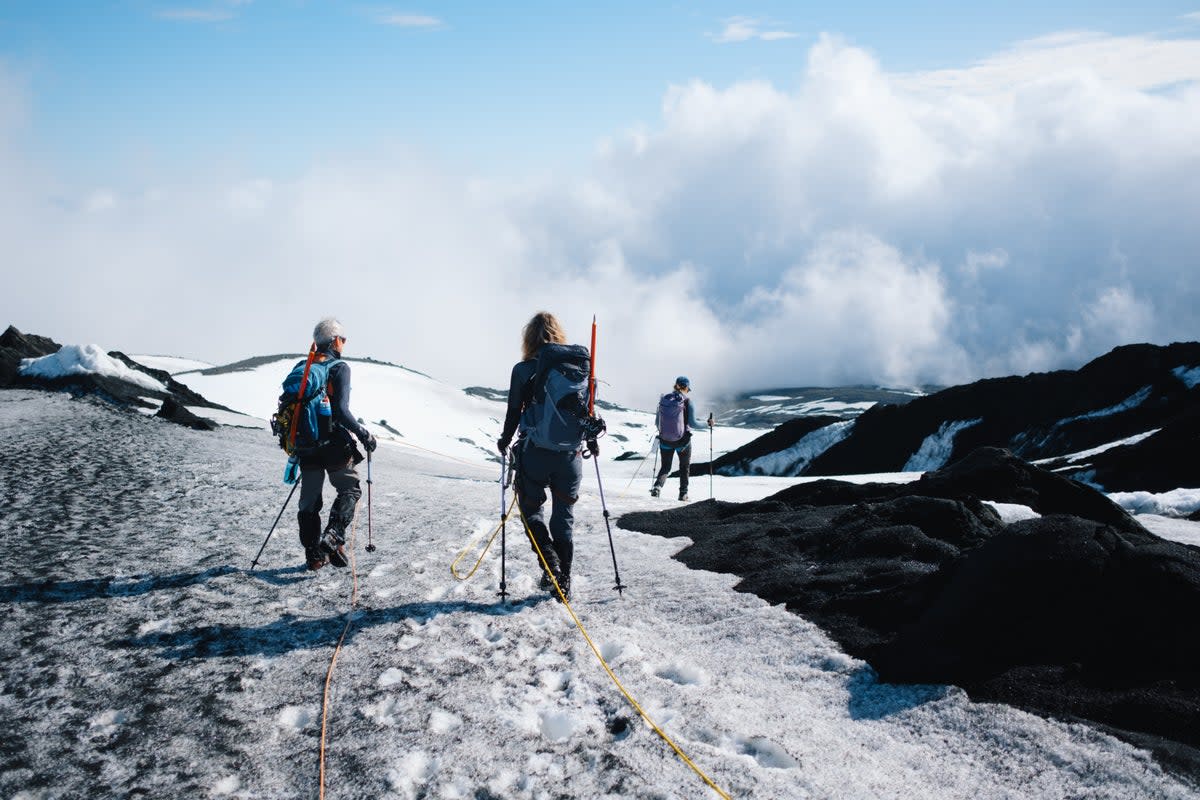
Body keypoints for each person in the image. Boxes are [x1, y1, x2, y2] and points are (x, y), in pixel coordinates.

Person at [497, 312, 600, 600]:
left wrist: (505, 441)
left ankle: (549, 563)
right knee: (563, 517)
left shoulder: (523, 370)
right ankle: (563, 582)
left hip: (535, 453)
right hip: (571, 456)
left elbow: (514, 412)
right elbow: (588, 411)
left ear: (529, 338)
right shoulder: (581, 369)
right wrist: (591, 440)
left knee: (531, 510)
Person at [296, 318, 377, 571]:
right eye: (343, 338)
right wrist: (363, 434)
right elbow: (341, 411)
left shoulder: (304, 367)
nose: (344, 343)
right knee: (350, 489)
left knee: (309, 502)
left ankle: (313, 555)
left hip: (306, 443)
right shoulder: (339, 367)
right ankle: (333, 537)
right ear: (334, 341)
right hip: (333, 444)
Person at [651, 376, 710, 501]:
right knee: (684, 467)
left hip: (665, 441)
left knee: (665, 467)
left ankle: (657, 486)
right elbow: (693, 424)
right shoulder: (687, 401)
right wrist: (708, 423)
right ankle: (683, 494)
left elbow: (657, 423)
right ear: (687, 387)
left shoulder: (664, 400)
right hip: (682, 442)